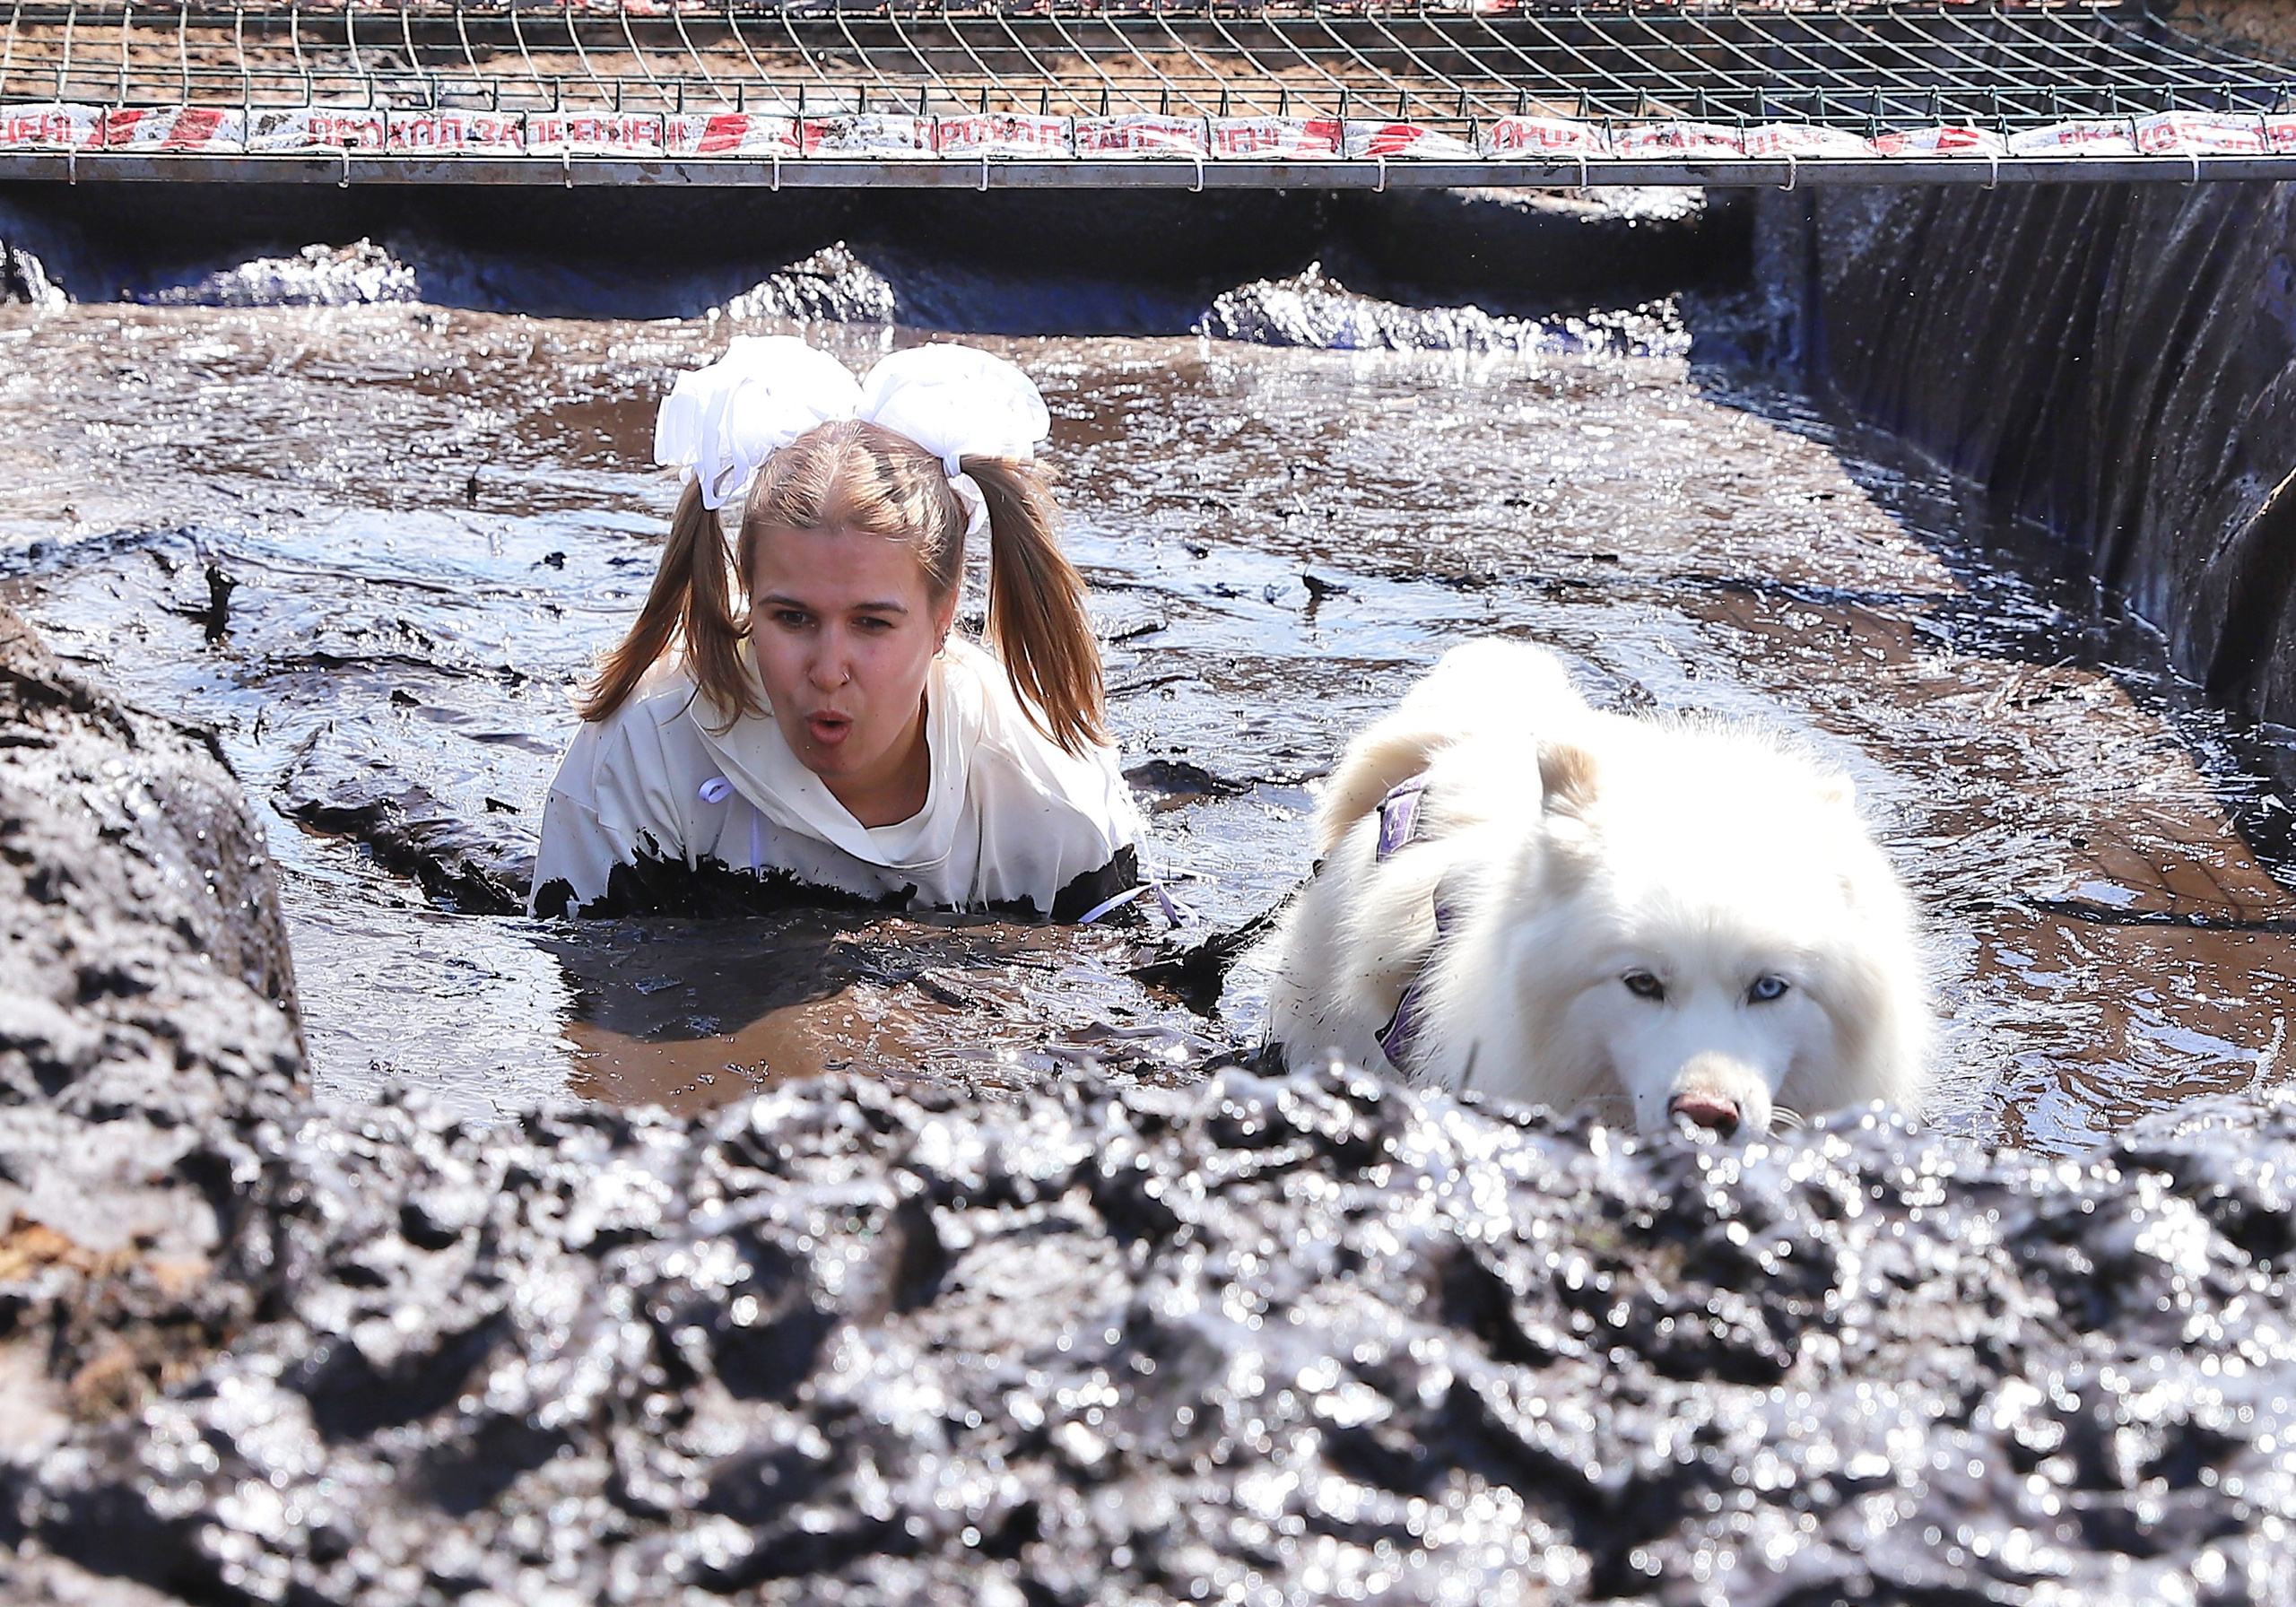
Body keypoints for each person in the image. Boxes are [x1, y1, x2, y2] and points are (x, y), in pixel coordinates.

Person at [531, 335, 1141, 921]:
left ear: (943, 617)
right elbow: (590, 1015)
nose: (827, 670)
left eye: (871, 623)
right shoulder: (643, 755)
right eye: (792, 618)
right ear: (749, 597)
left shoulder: (1050, 801)